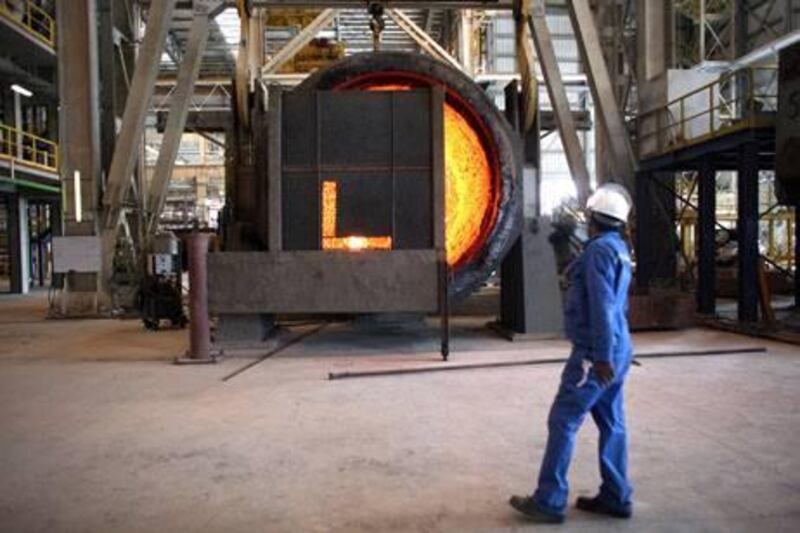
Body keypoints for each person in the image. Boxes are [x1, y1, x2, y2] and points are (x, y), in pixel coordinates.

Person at [509, 183, 634, 523]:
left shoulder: (597, 252)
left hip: (596, 355)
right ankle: (616, 495)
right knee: (612, 423)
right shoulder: (618, 248)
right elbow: (599, 292)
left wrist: (603, 356)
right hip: (619, 350)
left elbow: (603, 305)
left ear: (593, 218)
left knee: (563, 420)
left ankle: (549, 501)